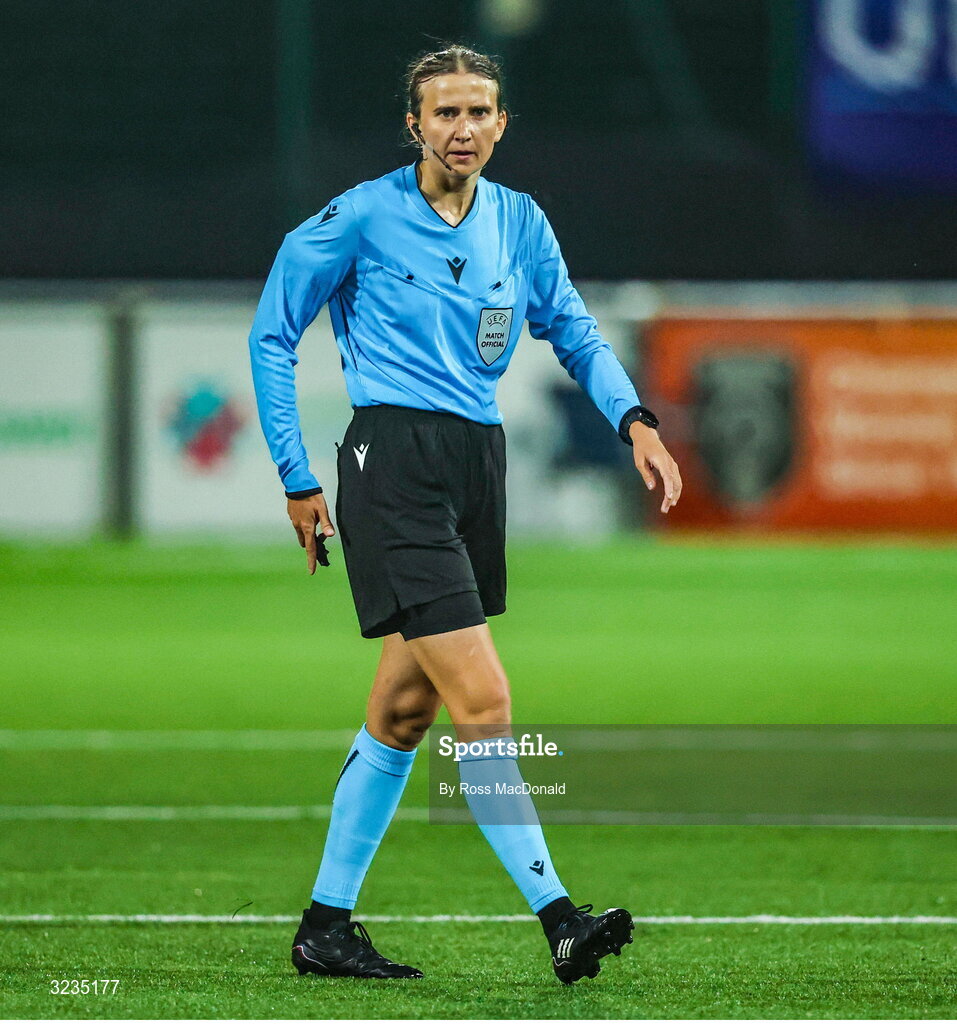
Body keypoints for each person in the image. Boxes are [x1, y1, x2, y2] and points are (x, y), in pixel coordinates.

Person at [249, 43, 682, 985]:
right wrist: (294, 476)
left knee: (404, 711)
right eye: (443, 113)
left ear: (500, 123)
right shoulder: (361, 217)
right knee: (482, 701)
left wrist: (635, 419)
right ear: (414, 125)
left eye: (479, 112)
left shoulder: (519, 223)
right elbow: (272, 331)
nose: (462, 129)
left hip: (474, 467)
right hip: (391, 466)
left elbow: (570, 326)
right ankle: (560, 918)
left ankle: (325, 927)